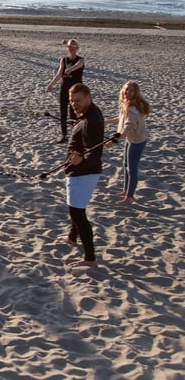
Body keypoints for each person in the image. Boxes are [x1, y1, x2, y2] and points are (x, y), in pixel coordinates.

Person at [58, 83, 104, 269]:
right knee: (76, 209)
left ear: (88, 97)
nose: (74, 104)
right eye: (71, 101)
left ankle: (90, 257)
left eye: (78, 100)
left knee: (77, 214)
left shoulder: (91, 120)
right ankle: (71, 238)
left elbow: (94, 153)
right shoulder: (89, 113)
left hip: (83, 174)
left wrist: (81, 161)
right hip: (81, 172)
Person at [105, 81, 150, 204]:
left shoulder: (132, 109)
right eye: (126, 89)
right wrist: (105, 122)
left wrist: (114, 141)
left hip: (137, 141)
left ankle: (129, 197)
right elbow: (121, 119)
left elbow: (127, 127)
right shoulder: (127, 104)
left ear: (135, 93)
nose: (127, 92)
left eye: (130, 90)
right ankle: (125, 190)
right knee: (125, 165)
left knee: (132, 169)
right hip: (131, 139)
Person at [46, 39, 85, 143]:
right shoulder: (63, 60)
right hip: (64, 88)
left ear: (77, 48)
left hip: (76, 90)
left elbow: (78, 66)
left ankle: (74, 135)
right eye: (69, 46)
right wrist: (51, 85)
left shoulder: (80, 60)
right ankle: (64, 135)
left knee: (73, 112)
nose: (71, 48)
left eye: (73, 46)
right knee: (63, 112)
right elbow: (59, 74)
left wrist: (70, 69)